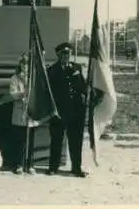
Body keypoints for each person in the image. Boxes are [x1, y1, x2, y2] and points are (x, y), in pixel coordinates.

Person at [46, 42, 88, 177]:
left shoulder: (77, 68)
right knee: (57, 139)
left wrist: (78, 77)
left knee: (76, 140)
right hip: (59, 110)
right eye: (63, 54)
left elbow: (83, 88)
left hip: (76, 110)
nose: (66, 56)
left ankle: (76, 167)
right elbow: (49, 92)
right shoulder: (52, 70)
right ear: (58, 55)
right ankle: (53, 167)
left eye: (68, 53)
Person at [9, 53, 39, 175]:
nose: (25, 66)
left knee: (31, 140)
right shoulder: (14, 78)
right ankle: (18, 164)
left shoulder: (34, 78)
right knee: (20, 140)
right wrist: (23, 93)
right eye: (23, 63)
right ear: (20, 64)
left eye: (27, 64)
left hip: (31, 113)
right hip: (19, 113)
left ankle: (30, 164)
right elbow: (13, 94)